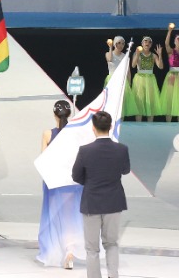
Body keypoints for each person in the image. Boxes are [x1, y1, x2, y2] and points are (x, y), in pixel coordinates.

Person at [71, 111, 130, 278]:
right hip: (113, 202)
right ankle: (113, 275)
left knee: (92, 248)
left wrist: (90, 183)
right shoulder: (121, 149)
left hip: (92, 202)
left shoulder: (85, 151)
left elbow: (76, 176)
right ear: (111, 127)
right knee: (111, 243)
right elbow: (125, 170)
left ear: (93, 128)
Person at [37, 100, 84, 270]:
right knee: (71, 217)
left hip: (54, 183)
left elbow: (44, 159)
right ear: (69, 114)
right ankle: (69, 252)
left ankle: (55, 252)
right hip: (72, 183)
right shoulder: (76, 134)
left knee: (54, 217)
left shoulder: (47, 134)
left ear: (54, 114)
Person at [130, 36, 164, 122]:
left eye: (149, 42)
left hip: (150, 80)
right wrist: (137, 54)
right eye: (145, 41)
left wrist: (160, 55)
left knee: (151, 102)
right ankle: (138, 125)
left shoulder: (153, 55)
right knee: (139, 101)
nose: (147, 43)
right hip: (139, 79)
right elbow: (133, 65)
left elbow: (160, 67)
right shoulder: (137, 53)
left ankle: (150, 125)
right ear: (142, 43)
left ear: (151, 44)